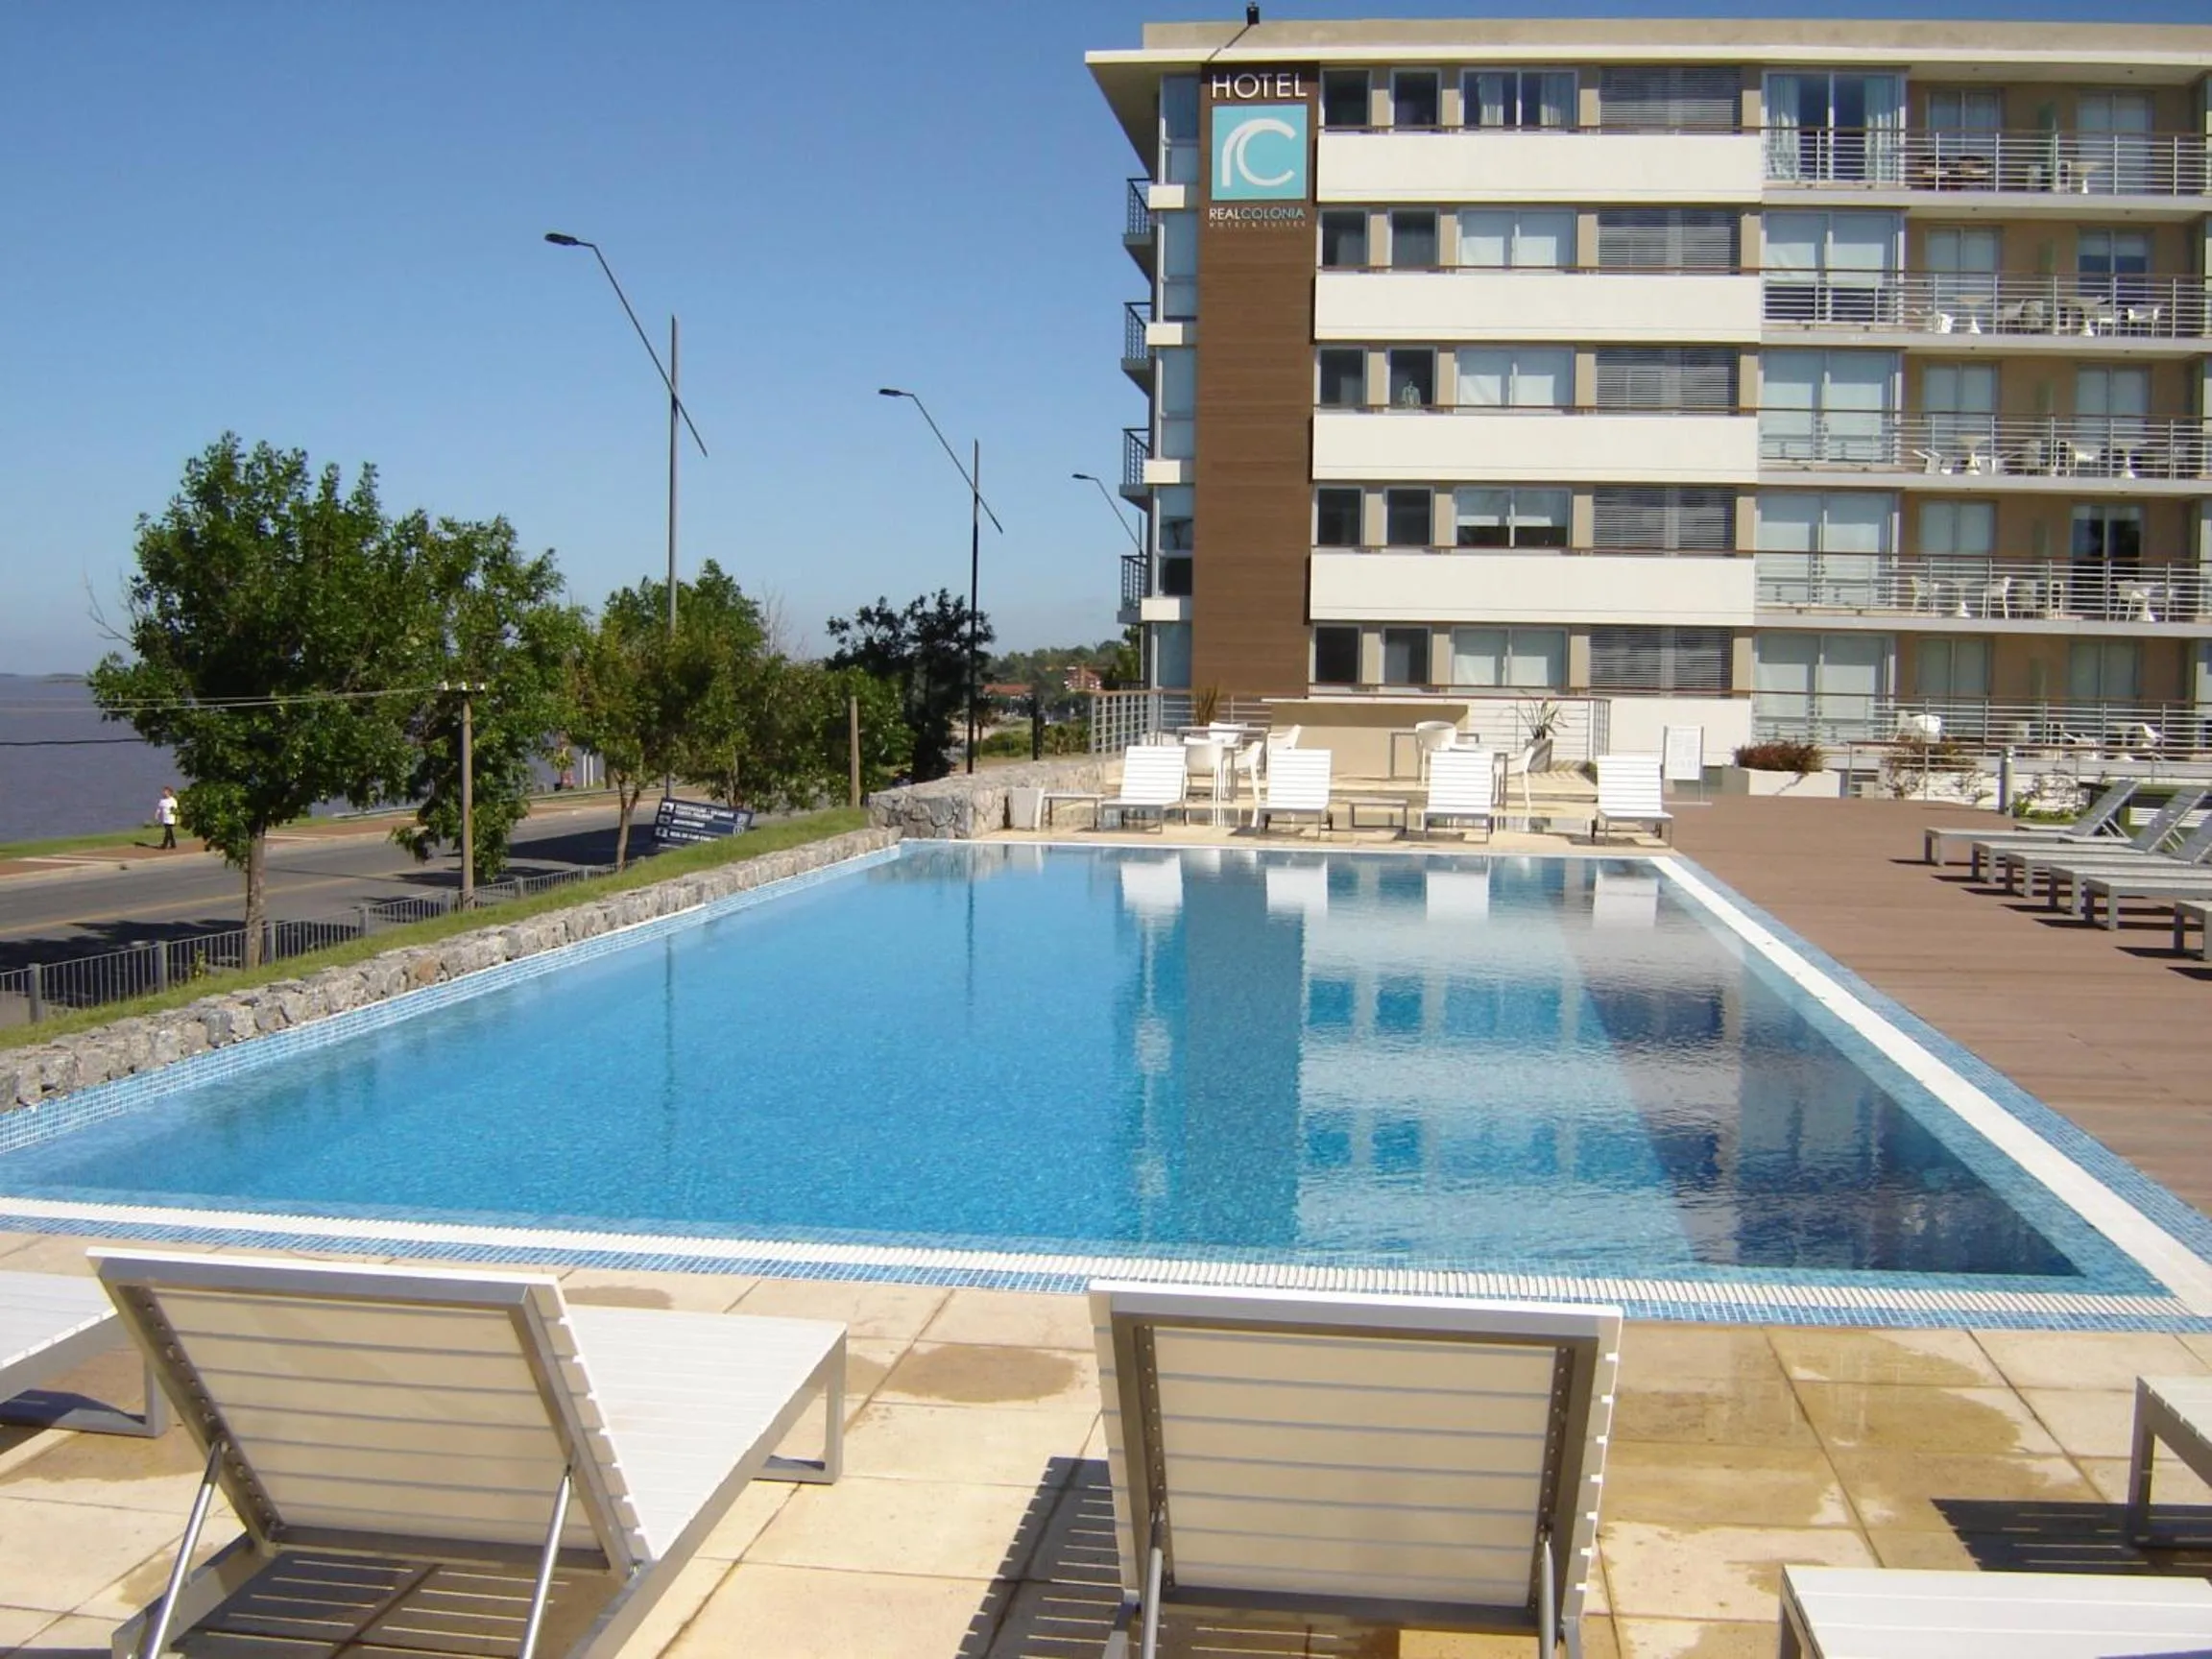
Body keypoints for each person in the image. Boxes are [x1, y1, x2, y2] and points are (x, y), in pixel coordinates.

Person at [156, 786, 179, 850]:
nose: (164, 793)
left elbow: (175, 809)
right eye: (163, 791)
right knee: (170, 832)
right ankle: (173, 844)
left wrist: (174, 814)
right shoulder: (162, 801)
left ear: (169, 792)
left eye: (165, 791)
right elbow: (159, 809)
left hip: (171, 819)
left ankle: (164, 845)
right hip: (165, 819)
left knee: (167, 832)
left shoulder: (173, 800)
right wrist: (157, 815)